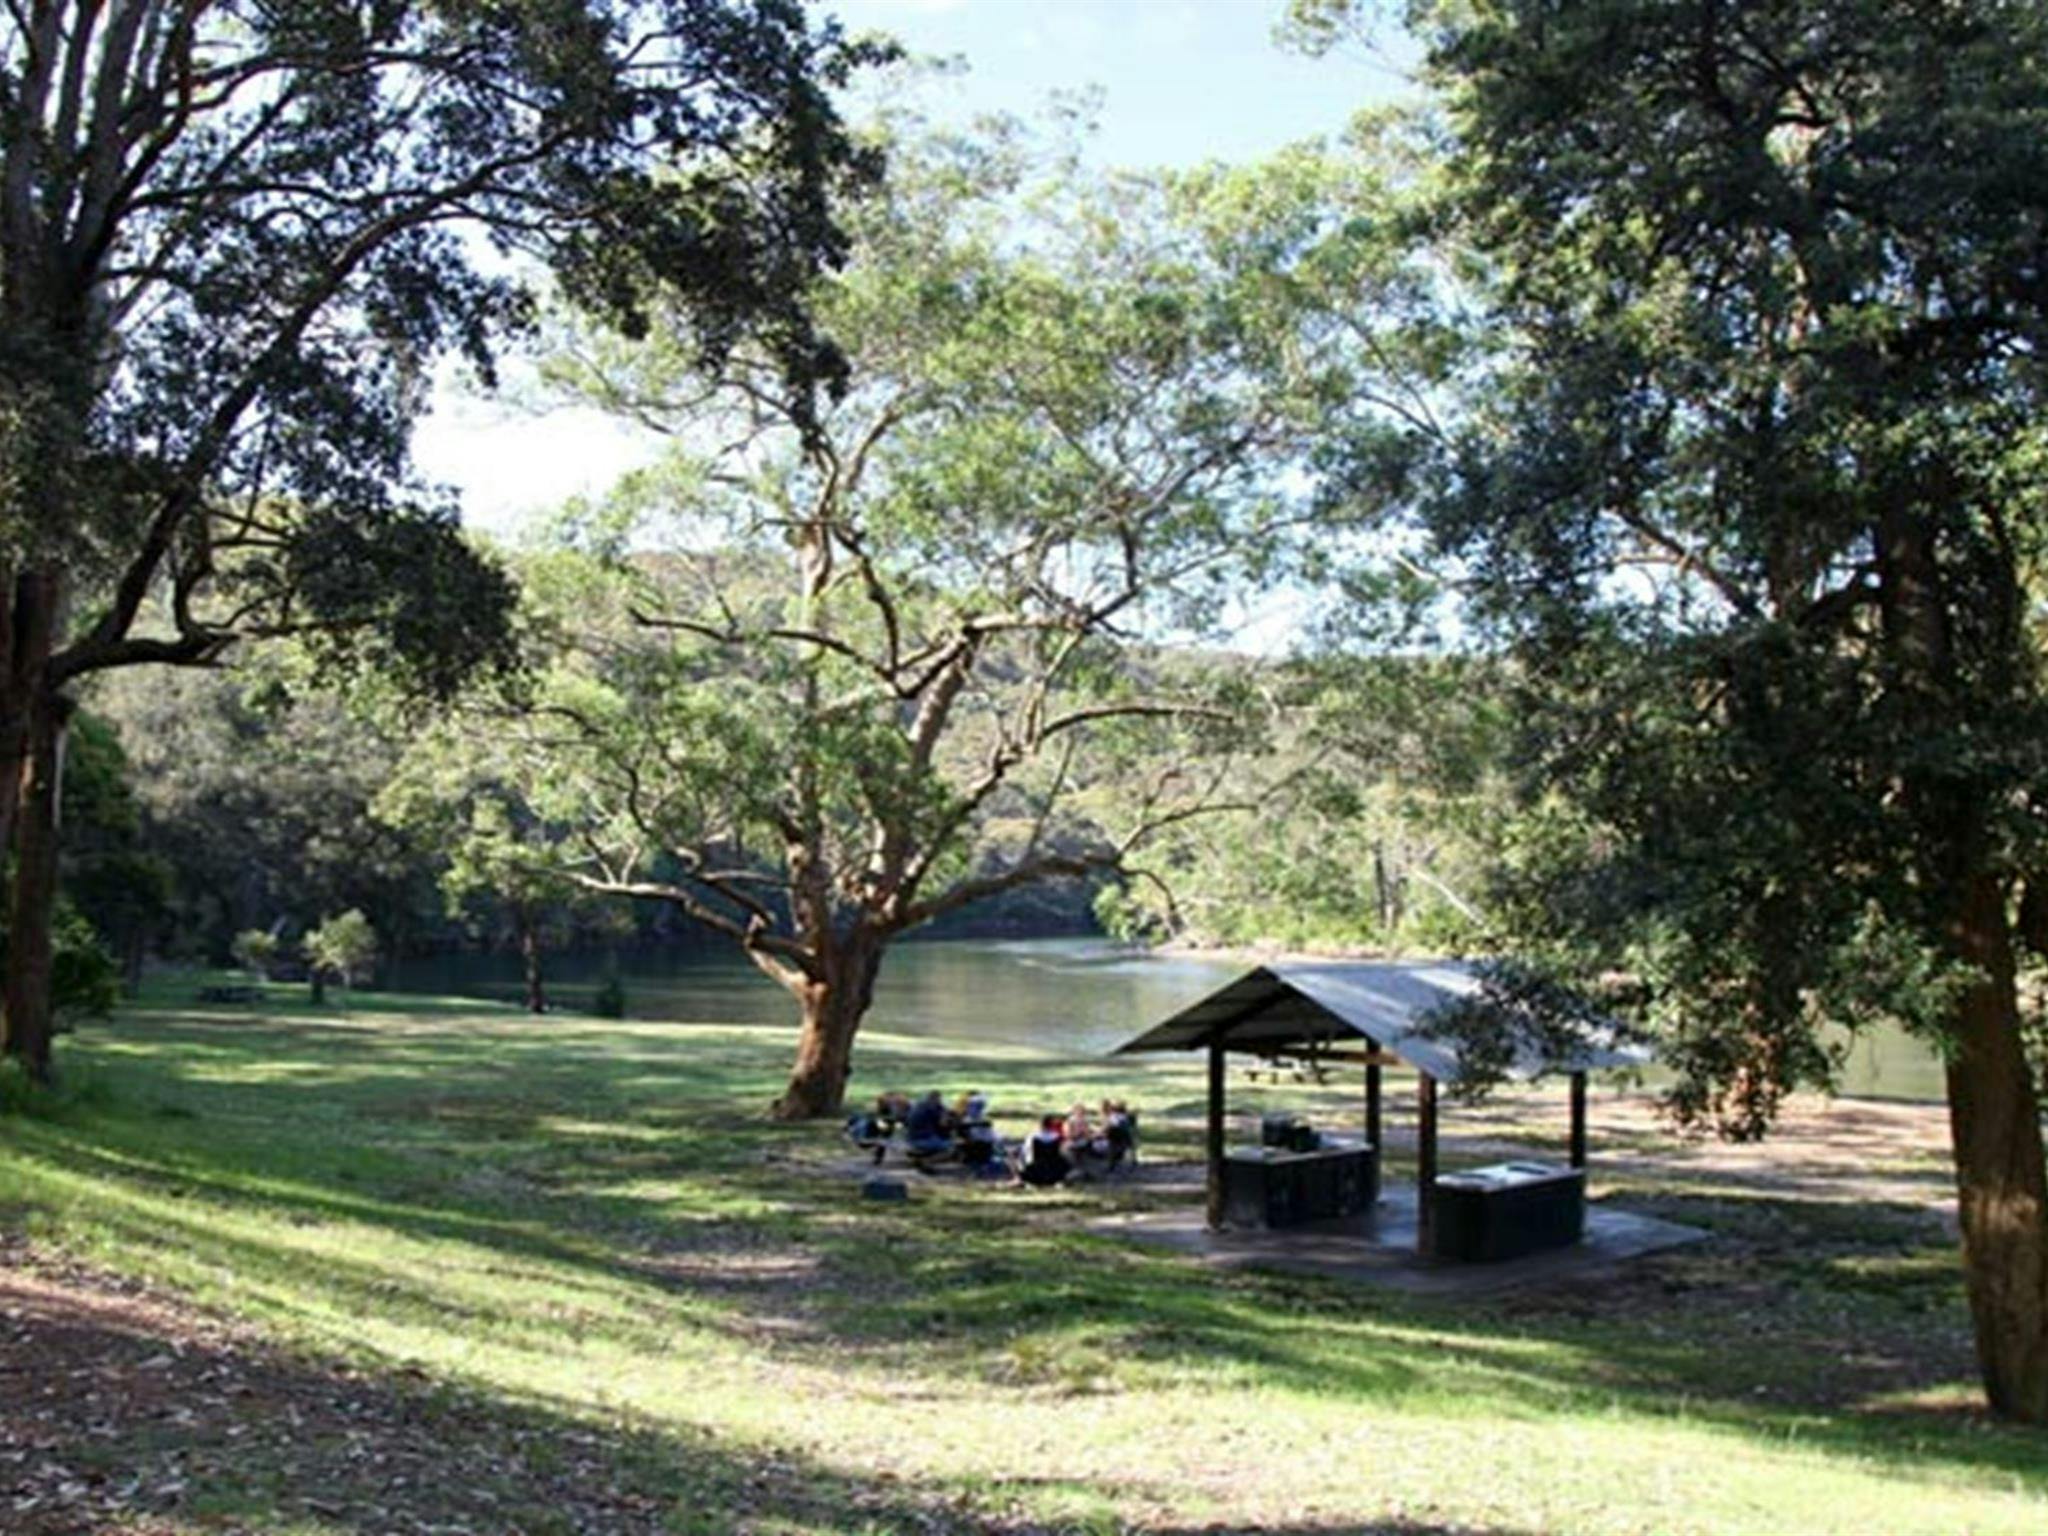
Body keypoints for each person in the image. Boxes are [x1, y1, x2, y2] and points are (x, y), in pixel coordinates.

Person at [1016, 1113, 1072, 1188]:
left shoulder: (1033, 1136)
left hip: (1036, 1168)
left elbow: (1026, 1151)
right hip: (1054, 1169)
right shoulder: (1056, 1136)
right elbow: (1061, 1151)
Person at [904, 1089, 954, 1162]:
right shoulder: (932, 1107)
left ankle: (922, 1157)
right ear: (937, 1099)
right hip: (924, 1140)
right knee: (952, 1146)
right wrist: (947, 1116)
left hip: (910, 1138)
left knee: (943, 1139)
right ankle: (925, 1160)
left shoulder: (918, 1105)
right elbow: (943, 1123)